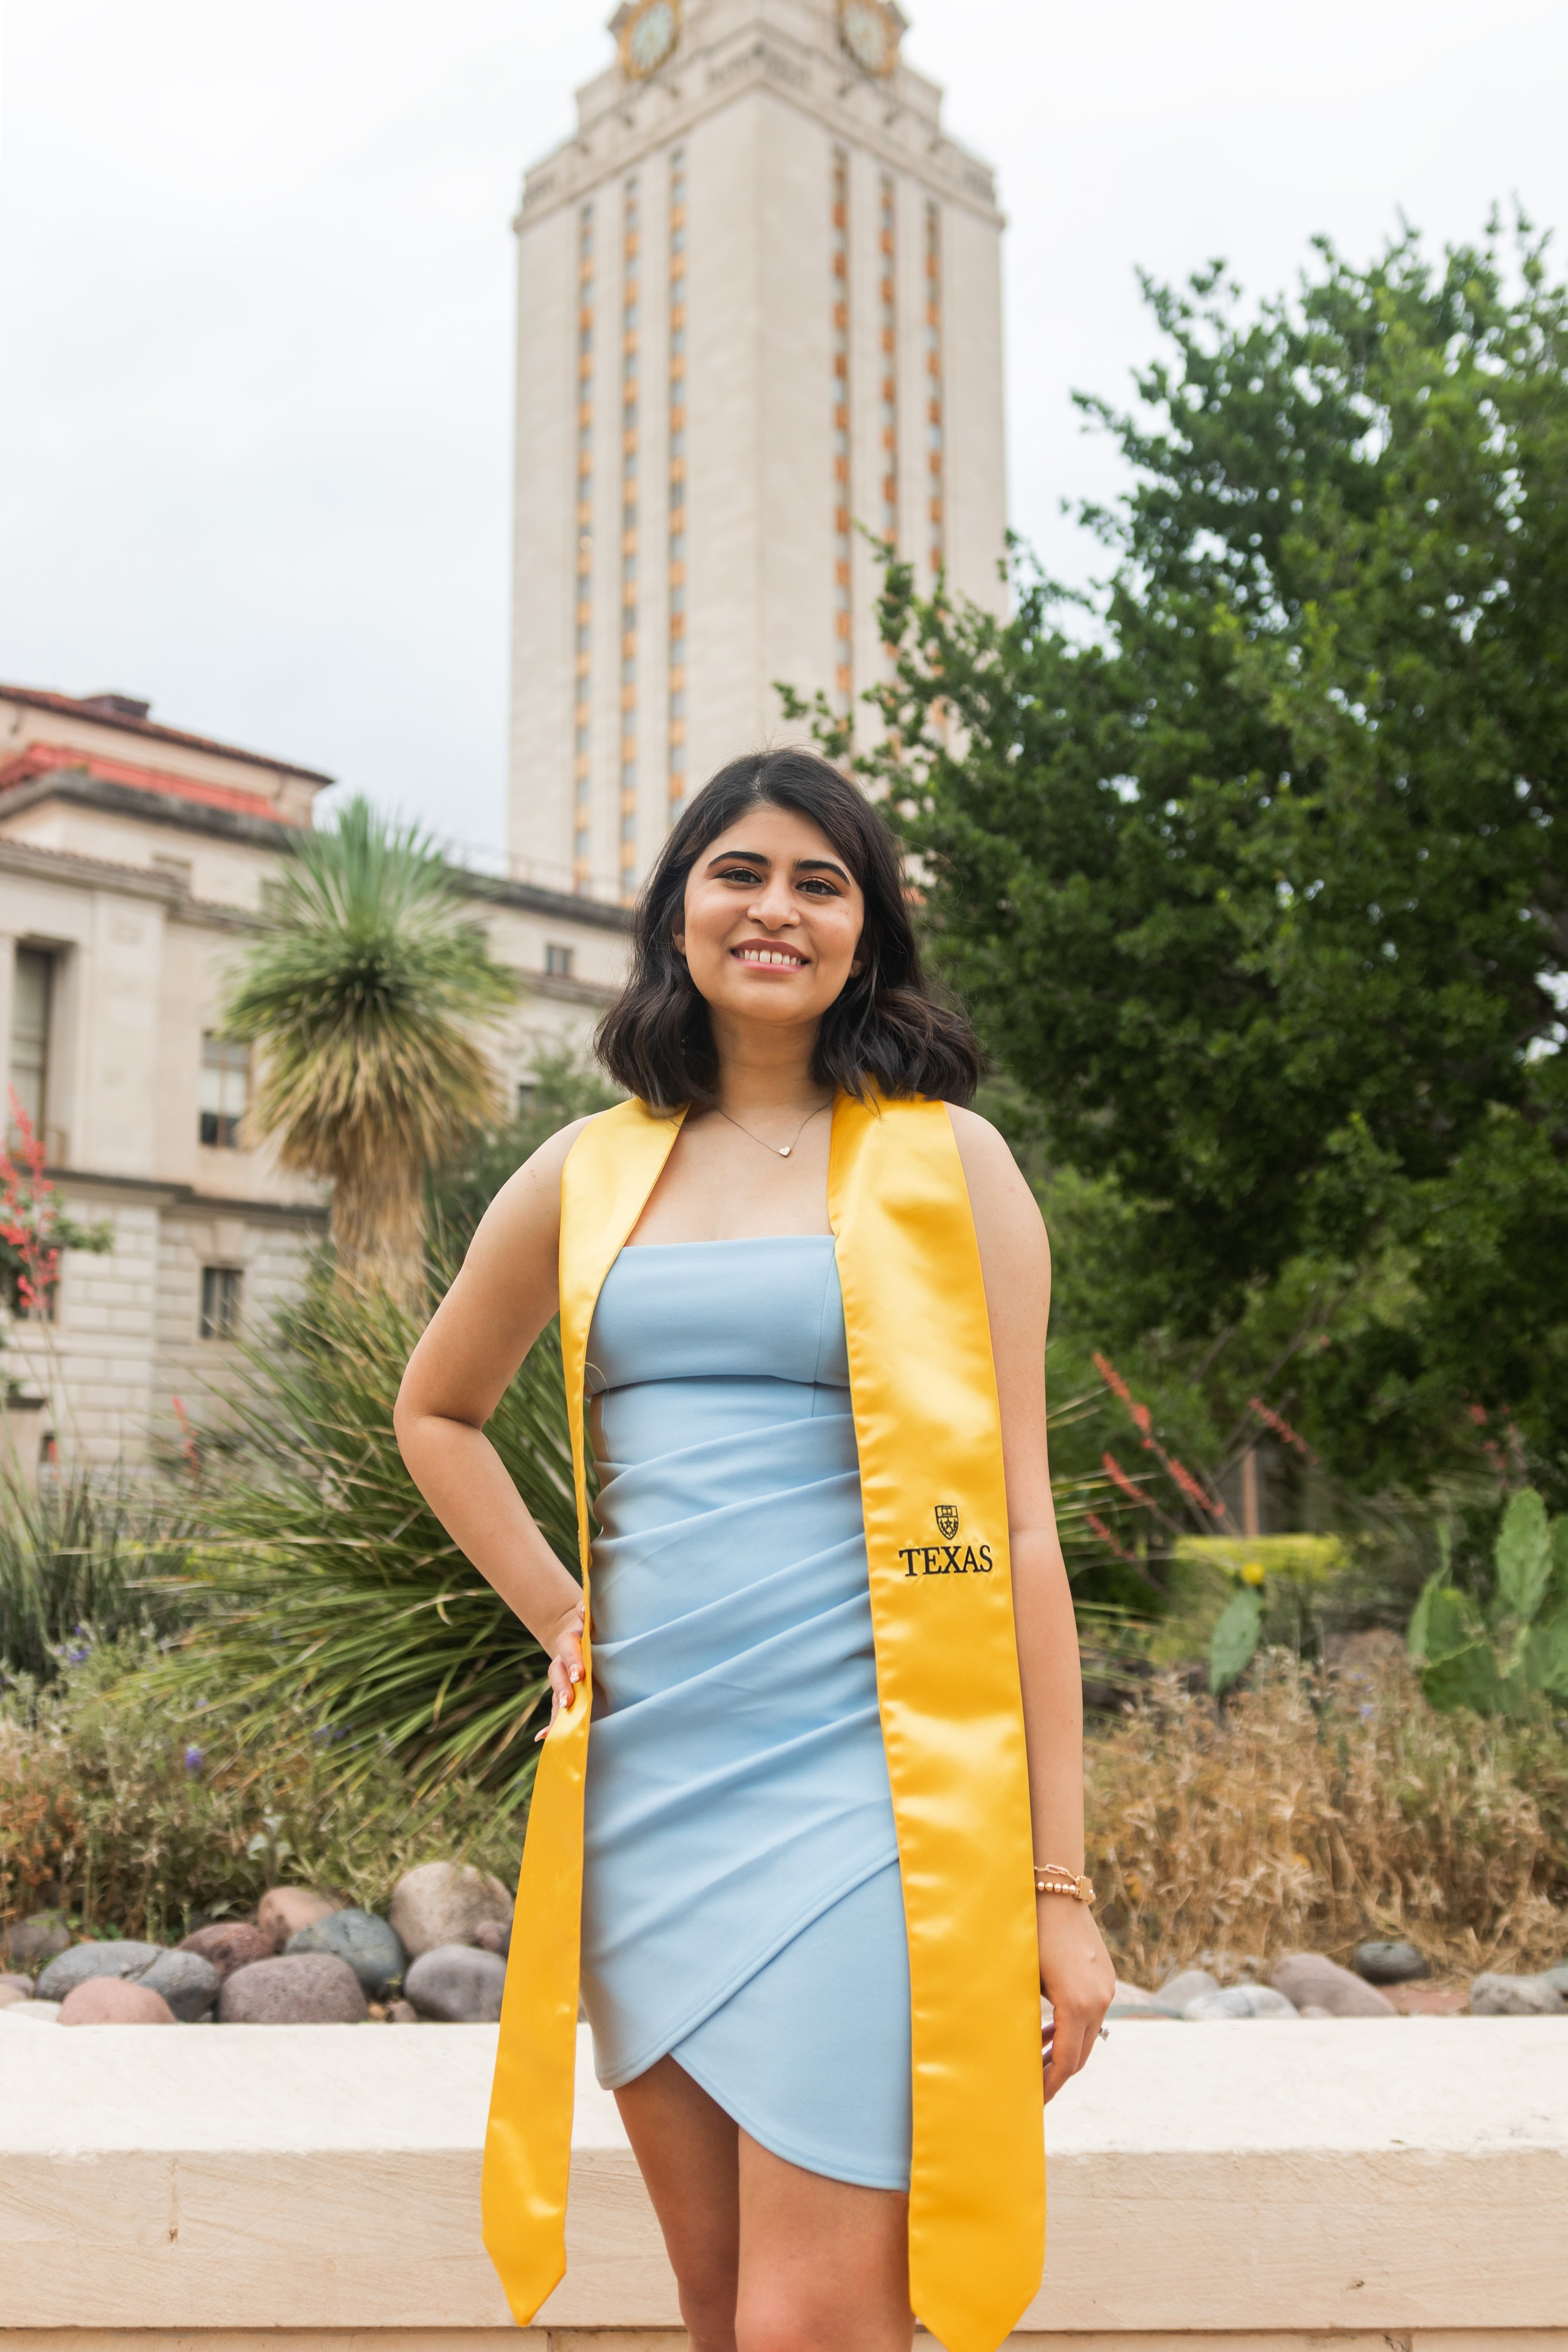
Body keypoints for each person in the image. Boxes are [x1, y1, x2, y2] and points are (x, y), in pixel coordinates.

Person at [394, 748, 1114, 2352]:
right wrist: (559, 1611)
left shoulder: (951, 1167)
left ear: (868, 932)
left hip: (874, 1798)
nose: (774, 909)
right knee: (722, 2316)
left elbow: (1018, 1531)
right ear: (677, 911)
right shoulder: (586, 1171)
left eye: (820, 879)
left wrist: (1058, 1888)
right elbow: (436, 1411)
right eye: (739, 872)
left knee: (818, 2325)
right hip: (651, 1805)